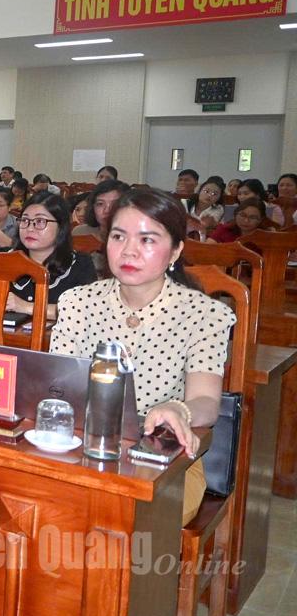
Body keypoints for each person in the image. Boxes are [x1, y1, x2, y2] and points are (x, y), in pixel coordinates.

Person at [51, 188, 234, 525]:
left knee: (107, 520)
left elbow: (207, 402)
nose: (129, 250)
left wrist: (178, 410)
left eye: (147, 239)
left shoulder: (205, 314)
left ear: (176, 250)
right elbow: (58, 385)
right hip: (83, 451)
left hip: (165, 465)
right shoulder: (77, 302)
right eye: (118, 236)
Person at [0, 192, 96, 319]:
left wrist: (25, 307)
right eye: (25, 220)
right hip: (7, 336)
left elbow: (84, 311)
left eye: (40, 222)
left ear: (61, 227)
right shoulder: (7, 258)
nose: (30, 228)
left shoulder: (79, 264)